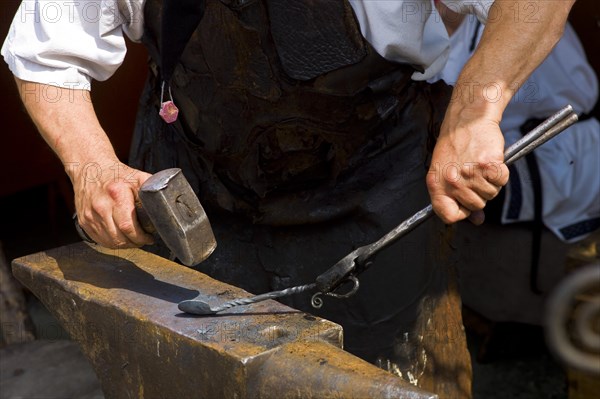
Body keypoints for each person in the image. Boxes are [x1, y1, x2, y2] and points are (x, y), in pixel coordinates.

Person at [2, 1, 576, 397]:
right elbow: (46, 53)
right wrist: (91, 167)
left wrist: (475, 110)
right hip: (195, 189)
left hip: (373, 194)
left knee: (395, 379)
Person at [433, 3, 599, 325]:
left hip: (558, 147)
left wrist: (470, 118)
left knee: (472, 192)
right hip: (500, 139)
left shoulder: (505, 19)